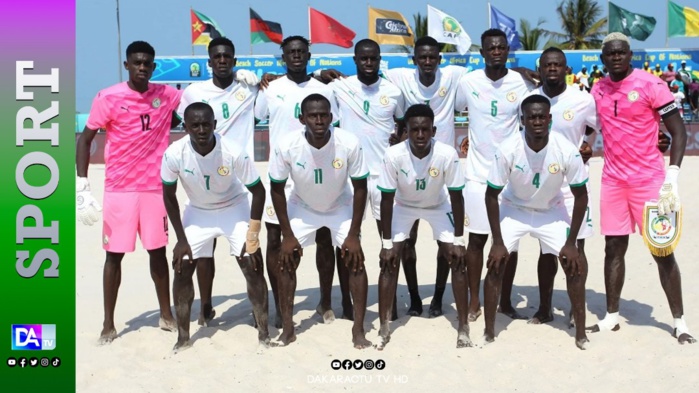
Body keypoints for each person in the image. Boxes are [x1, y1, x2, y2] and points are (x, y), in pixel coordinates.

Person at [588, 32, 695, 344]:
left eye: (622, 53)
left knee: (661, 250)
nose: (617, 58)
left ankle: (680, 322)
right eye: (611, 54)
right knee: (613, 248)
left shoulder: (650, 84)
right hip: (612, 181)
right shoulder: (598, 88)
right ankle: (611, 317)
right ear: (603, 58)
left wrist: (671, 178)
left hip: (649, 181)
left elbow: (678, 133)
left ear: (630, 55)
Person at [76, 41, 180, 344]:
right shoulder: (108, 97)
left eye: (147, 63)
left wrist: (242, 80)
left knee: (157, 251)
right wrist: (82, 184)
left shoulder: (165, 95)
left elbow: (202, 97)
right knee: (114, 255)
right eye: (137, 63)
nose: (142, 67)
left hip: (154, 188)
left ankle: (166, 314)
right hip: (119, 190)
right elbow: (84, 141)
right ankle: (108, 323)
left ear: (153, 66)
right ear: (127, 65)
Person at [484, 94, 590, 350]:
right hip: (514, 208)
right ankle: (488, 331)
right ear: (522, 120)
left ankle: (581, 333)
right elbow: (491, 195)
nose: (537, 121)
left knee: (574, 263)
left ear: (550, 119)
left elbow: (581, 196)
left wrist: (571, 242)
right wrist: (497, 242)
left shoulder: (565, 149)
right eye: (531, 117)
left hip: (550, 210)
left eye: (542, 116)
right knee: (496, 262)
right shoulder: (508, 148)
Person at [161, 102, 269, 351]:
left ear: (215, 125)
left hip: (234, 207)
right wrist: (181, 239)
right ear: (185, 127)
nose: (201, 129)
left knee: (252, 264)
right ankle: (183, 337)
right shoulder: (174, 153)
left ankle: (263, 333)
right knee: (181, 266)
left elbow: (258, 191)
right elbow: (168, 196)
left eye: (206, 124)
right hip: (198, 211)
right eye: (195, 125)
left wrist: (252, 234)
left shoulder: (232, 150)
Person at [268, 94, 371, 348]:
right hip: (302, 206)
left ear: (331, 117)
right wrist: (288, 234)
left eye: (323, 115)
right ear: (302, 118)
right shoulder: (287, 145)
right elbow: (277, 190)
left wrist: (354, 233)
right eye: (312, 116)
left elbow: (360, 188)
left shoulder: (348, 142)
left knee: (356, 259)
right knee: (286, 260)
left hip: (339, 205)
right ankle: (289, 328)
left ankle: (359, 330)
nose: (318, 120)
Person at [254, 36, 341, 328]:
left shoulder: (323, 88)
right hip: (281, 177)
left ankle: (326, 302)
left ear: (309, 55)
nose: (296, 56)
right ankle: (281, 305)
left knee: (325, 237)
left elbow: (336, 127)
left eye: (301, 52)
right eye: (290, 52)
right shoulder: (270, 88)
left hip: (318, 174)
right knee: (274, 240)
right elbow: (253, 118)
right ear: (283, 56)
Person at [510, 47, 598, 325]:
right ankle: (545, 308)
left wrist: (588, 144)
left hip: (572, 186)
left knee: (576, 248)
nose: (552, 69)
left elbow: (596, 126)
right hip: (541, 186)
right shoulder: (529, 98)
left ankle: (576, 309)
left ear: (566, 69)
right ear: (541, 68)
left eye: (557, 65)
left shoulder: (582, 99)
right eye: (547, 65)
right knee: (546, 251)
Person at [175, 37, 260, 327]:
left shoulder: (248, 87)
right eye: (217, 57)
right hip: (202, 180)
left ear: (234, 61)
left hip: (237, 180)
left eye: (228, 57)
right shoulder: (194, 92)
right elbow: (182, 123)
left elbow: (283, 87)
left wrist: (260, 79)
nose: (222, 60)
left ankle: (258, 312)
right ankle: (206, 306)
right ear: (209, 62)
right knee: (203, 252)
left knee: (248, 256)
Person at [455, 28, 535, 322]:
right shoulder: (468, 82)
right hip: (477, 174)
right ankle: (474, 299)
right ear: (483, 53)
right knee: (477, 240)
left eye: (501, 47)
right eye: (491, 48)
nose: (497, 52)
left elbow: (537, 114)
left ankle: (504, 299)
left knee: (509, 243)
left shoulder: (521, 82)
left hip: (512, 177)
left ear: (507, 51)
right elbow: (447, 110)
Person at [376, 104, 469, 349]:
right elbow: (386, 198)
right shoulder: (394, 154)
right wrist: (386, 243)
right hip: (403, 205)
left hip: (438, 205)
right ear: (406, 130)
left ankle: (463, 329)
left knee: (457, 257)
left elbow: (457, 196)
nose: (419, 135)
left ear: (433, 130)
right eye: (414, 130)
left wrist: (459, 239)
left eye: (425, 130)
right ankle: (384, 327)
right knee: (389, 258)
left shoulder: (447, 154)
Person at [328, 39, 406, 320]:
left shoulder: (394, 92)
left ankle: (390, 305)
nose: (369, 63)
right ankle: (349, 306)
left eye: (373, 58)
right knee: (347, 242)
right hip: (351, 180)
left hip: (385, 178)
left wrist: (399, 140)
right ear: (355, 59)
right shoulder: (340, 87)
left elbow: (404, 122)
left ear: (379, 59)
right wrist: (320, 72)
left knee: (391, 240)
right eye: (363, 59)